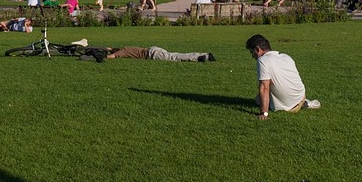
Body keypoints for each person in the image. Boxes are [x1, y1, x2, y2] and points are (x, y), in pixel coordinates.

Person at [246, 34, 320, 117]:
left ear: (257, 49)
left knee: (259, 99)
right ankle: (303, 102)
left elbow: (264, 88)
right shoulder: (286, 57)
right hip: (301, 96)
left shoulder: (262, 60)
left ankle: (291, 103)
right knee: (258, 98)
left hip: (289, 107)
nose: (252, 56)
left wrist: (264, 113)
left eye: (252, 52)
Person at [87, 45, 215, 63]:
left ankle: (200, 57)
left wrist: (97, 55)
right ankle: (203, 54)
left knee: (175, 57)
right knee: (175, 54)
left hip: (152, 54)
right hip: (154, 49)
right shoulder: (125, 47)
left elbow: (111, 55)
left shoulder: (122, 51)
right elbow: (109, 49)